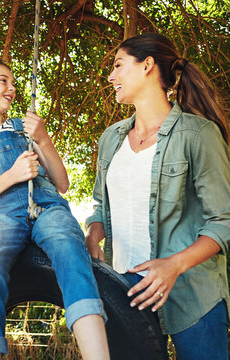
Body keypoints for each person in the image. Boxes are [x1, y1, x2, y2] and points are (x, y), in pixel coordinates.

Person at [0, 57, 110, 360]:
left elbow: (62, 183)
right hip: (1, 214)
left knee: (68, 244)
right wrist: (11, 175)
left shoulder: (25, 128)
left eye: (13, 82)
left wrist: (43, 138)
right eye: (3, 80)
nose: (12, 88)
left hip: (47, 205)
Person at [85, 33, 229, 360]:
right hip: (125, 295)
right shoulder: (111, 139)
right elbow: (100, 207)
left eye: (119, 65)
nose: (111, 77)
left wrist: (173, 266)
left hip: (193, 298)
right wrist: (94, 234)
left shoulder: (198, 134)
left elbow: (224, 220)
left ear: (147, 65)